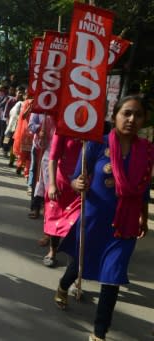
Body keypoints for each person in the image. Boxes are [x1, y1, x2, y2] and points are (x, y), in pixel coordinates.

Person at [54, 96, 152, 341]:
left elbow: (143, 187)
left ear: (144, 120)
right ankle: (64, 285)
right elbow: (77, 178)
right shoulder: (96, 143)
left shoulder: (146, 150)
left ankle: (99, 332)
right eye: (126, 113)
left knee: (113, 276)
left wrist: (143, 216)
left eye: (137, 115)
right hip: (94, 219)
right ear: (114, 116)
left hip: (125, 223)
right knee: (80, 264)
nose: (131, 119)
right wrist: (79, 184)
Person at [42, 133, 82, 267]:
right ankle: (52, 251)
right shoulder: (63, 128)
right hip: (61, 183)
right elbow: (53, 158)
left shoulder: (96, 130)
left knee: (77, 222)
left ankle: (73, 260)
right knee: (56, 219)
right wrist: (52, 185)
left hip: (82, 184)